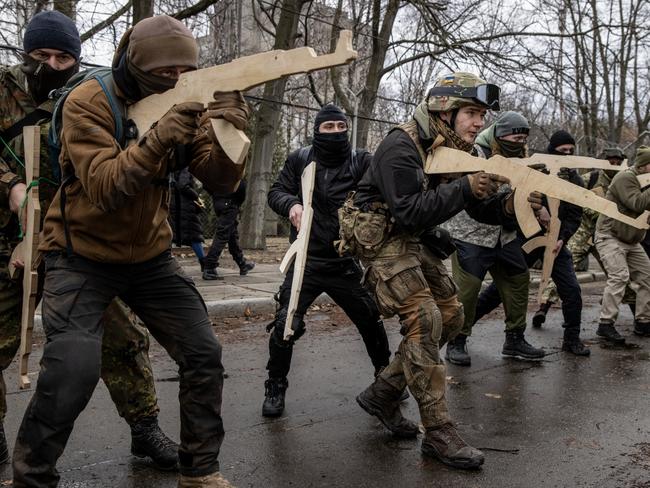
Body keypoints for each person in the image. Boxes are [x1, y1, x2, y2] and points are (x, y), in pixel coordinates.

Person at [11, 15, 249, 488]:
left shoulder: (187, 95)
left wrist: (229, 134)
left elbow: (220, 181)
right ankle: (31, 477)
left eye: (186, 72)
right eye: (167, 75)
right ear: (134, 64)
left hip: (150, 258)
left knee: (203, 352)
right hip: (81, 255)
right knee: (73, 367)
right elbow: (104, 186)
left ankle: (199, 470)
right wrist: (161, 136)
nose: (179, 82)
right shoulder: (88, 100)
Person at [0, 10, 176, 471]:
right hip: (9, 239)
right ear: (26, 53)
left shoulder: (91, 92)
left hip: (77, 239)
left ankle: (144, 428)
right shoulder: (2, 90)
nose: (52, 65)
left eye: (63, 57)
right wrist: (10, 186)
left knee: (121, 339)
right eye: (40, 55)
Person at [340, 72, 542, 469]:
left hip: (414, 238)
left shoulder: (458, 148)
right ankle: (437, 431)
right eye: (471, 113)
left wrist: (509, 204)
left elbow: (478, 208)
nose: (479, 124)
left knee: (453, 317)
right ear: (443, 111)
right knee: (425, 319)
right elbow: (409, 209)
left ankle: (383, 393)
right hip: (380, 240)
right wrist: (467, 187)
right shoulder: (400, 145)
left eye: (482, 116)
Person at [262, 103, 392, 417]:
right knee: (285, 324)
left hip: (344, 262)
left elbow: (385, 188)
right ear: (317, 130)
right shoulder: (300, 159)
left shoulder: (360, 161)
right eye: (328, 128)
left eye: (339, 127)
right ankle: (275, 386)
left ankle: (386, 379)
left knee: (370, 319)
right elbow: (276, 190)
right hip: (306, 261)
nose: (335, 133)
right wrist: (291, 204)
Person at [472, 128, 588, 356]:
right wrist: (537, 213)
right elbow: (516, 199)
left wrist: (562, 237)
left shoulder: (575, 180)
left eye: (571, 151)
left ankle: (572, 339)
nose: (566, 154)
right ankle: (460, 331)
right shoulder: (535, 170)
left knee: (572, 291)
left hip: (555, 242)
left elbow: (575, 214)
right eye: (562, 150)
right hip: (526, 239)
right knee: (499, 290)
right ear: (552, 150)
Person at [444, 111, 544, 366]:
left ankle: (515, 339)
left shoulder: (523, 159)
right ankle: (457, 341)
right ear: (499, 133)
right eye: (514, 135)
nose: (518, 140)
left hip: (505, 235)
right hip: (471, 234)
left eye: (523, 136)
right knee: (467, 291)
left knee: (518, 279)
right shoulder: (475, 153)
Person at [535, 147, 627, 325]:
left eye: (618, 160)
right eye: (611, 160)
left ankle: (636, 315)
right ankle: (543, 308)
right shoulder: (590, 178)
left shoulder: (623, 181)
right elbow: (577, 202)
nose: (614, 163)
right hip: (582, 233)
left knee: (618, 272)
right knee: (563, 272)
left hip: (606, 235)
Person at [595, 146, 650, 342]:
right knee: (619, 276)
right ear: (644, 165)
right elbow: (636, 203)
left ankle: (644, 321)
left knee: (647, 277)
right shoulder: (626, 177)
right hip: (610, 235)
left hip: (632, 239)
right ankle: (605, 324)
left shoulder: (645, 179)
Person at [202, 179, 254, 280]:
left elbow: (206, 184)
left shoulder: (216, 167)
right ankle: (209, 267)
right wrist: (236, 202)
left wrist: (217, 195)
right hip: (230, 203)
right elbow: (241, 187)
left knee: (232, 235)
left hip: (219, 202)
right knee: (222, 235)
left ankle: (242, 264)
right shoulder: (234, 166)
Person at [170, 166, 206, 267]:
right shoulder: (185, 168)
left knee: (170, 235)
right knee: (194, 235)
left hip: (173, 206)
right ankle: (204, 263)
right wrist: (196, 196)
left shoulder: (171, 168)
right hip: (185, 207)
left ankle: (166, 260)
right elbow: (183, 185)